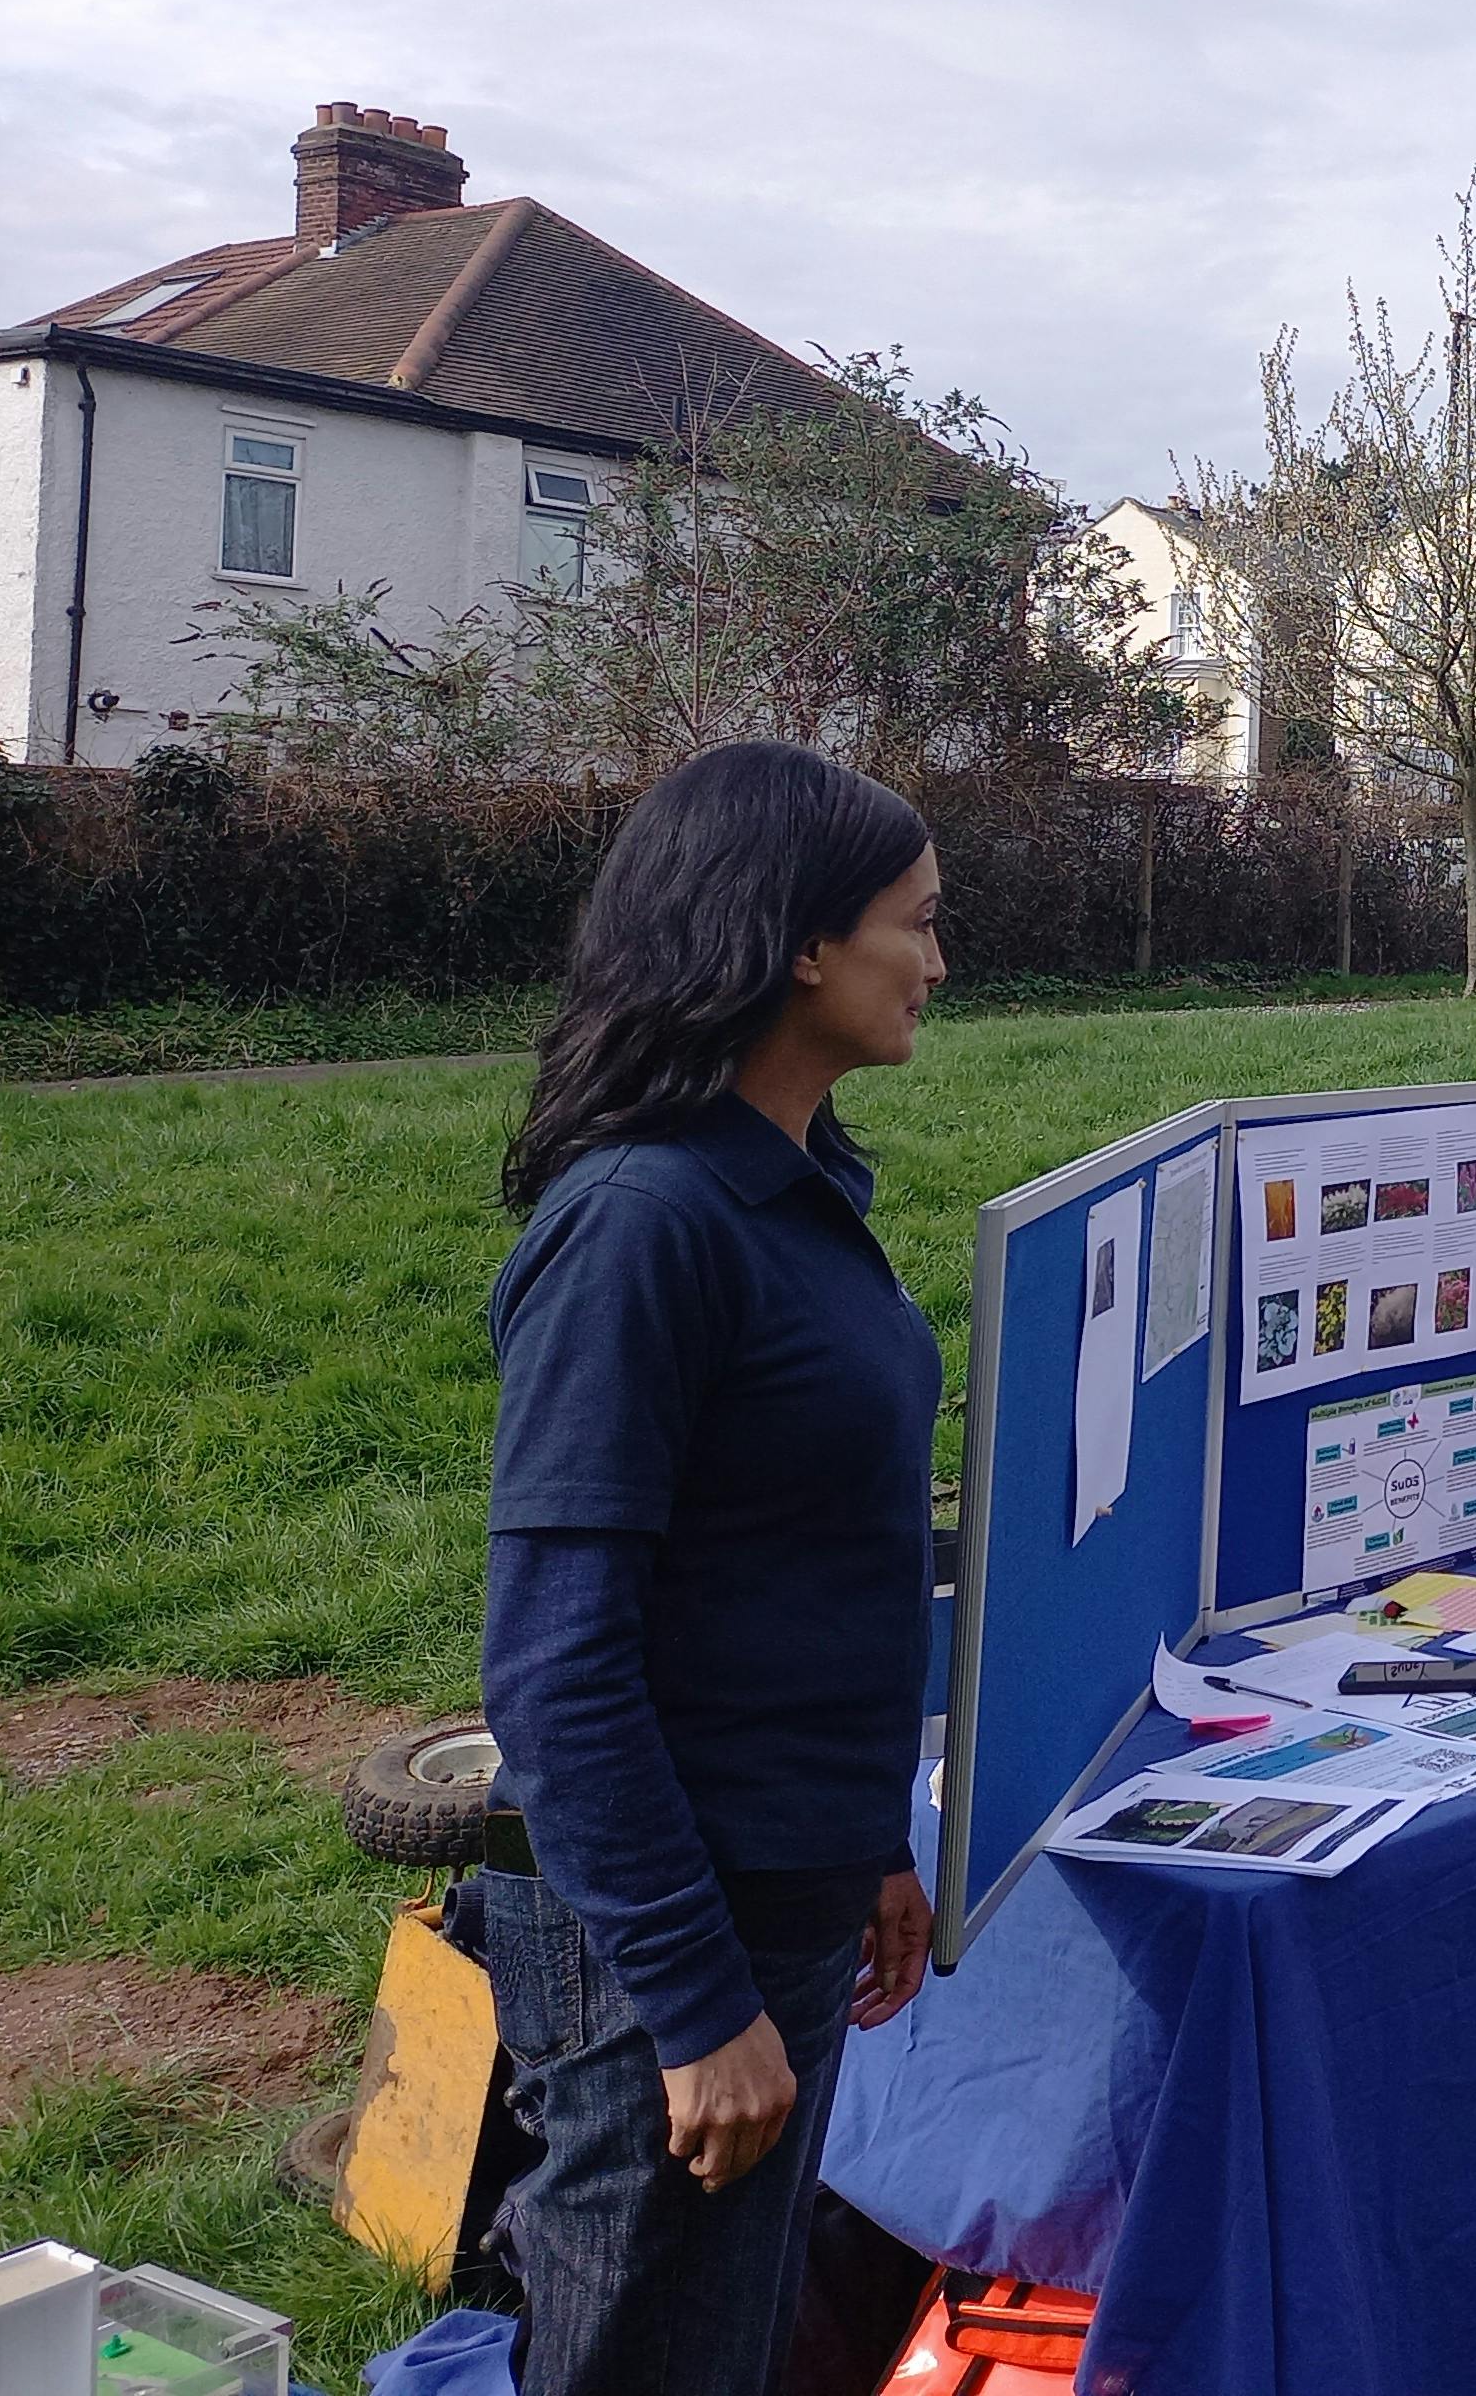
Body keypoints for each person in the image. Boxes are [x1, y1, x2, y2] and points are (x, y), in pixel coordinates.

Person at [477, 743, 954, 2396]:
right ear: (802, 943)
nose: (939, 964)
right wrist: (691, 2005)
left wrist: (867, 1845)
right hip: (668, 1941)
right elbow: (554, 1663)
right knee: (644, 2363)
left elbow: (797, 1565)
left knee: (727, 2355)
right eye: (917, 922)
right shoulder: (643, 1225)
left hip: (790, 1891)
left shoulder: (800, 1190)